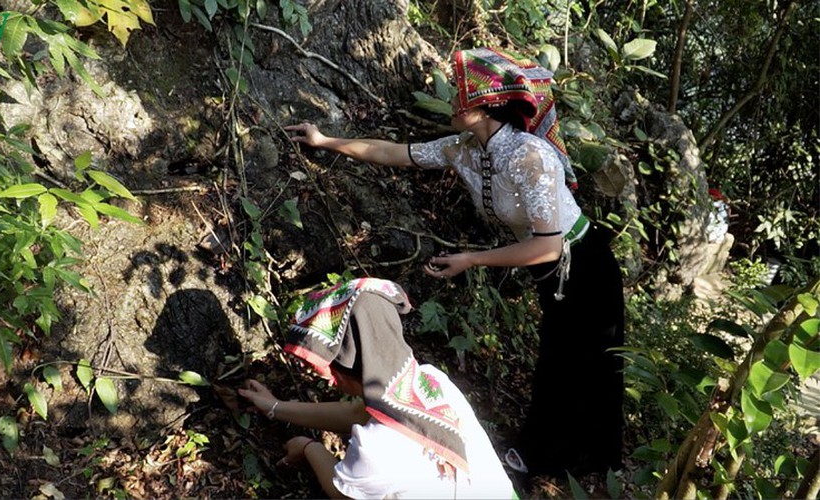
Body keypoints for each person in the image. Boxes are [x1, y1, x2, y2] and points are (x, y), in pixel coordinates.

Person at [284, 47, 625, 477]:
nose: (450, 103)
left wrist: (471, 259)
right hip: (552, 271)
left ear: (482, 106)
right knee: (560, 357)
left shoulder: (529, 156)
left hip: (585, 265)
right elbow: (395, 152)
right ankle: (561, 455)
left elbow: (548, 245)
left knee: (583, 361)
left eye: (458, 96)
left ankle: (565, 459)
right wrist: (325, 140)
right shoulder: (464, 148)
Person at [238, 278, 518, 498]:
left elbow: (343, 493)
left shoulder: (376, 446)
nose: (327, 378)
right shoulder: (428, 381)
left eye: (330, 368)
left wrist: (309, 448)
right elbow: (357, 413)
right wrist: (275, 407)